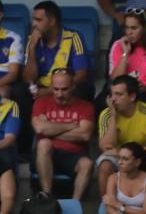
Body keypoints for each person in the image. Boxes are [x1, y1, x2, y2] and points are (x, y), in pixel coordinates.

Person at [32, 68, 95, 200]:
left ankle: (74, 204)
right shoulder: (41, 103)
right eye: (56, 89)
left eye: (64, 89)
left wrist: (50, 129)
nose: (59, 94)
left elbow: (85, 135)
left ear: (73, 86)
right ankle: (47, 196)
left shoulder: (86, 106)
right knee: (44, 143)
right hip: (46, 153)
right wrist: (70, 126)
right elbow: (40, 129)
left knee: (87, 164)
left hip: (74, 155)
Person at [98, 76, 146, 190]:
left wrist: (124, 153)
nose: (113, 99)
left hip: (141, 156)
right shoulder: (106, 115)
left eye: (118, 94)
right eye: (112, 94)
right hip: (118, 157)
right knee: (105, 165)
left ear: (132, 96)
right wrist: (113, 117)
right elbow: (105, 147)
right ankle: (106, 203)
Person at [24, 2, 90, 100]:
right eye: (33, 20)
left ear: (52, 21)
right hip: (41, 87)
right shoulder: (32, 40)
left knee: (81, 89)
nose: (33, 24)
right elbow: (28, 79)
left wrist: (51, 91)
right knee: (22, 91)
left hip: (65, 87)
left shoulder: (73, 37)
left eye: (38, 20)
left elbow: (81, 74)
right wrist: (32, 47)